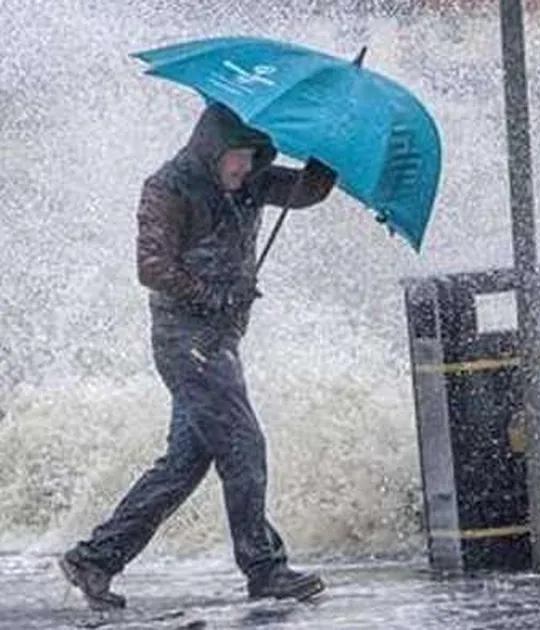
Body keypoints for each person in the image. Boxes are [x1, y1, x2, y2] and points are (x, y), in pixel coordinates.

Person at [59, 102, 337, 610]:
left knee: (184, 464)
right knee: (244, 446)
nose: (246, 167)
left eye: (254, 156)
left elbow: (307, 191)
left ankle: (95, 559)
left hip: (220, 341)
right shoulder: (168, 187)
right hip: (185, 341)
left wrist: (329, 149)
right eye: (238, 156)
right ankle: (265, 569)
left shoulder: (251, 180)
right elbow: (151, 267)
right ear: (213, 149)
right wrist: (213, 296)